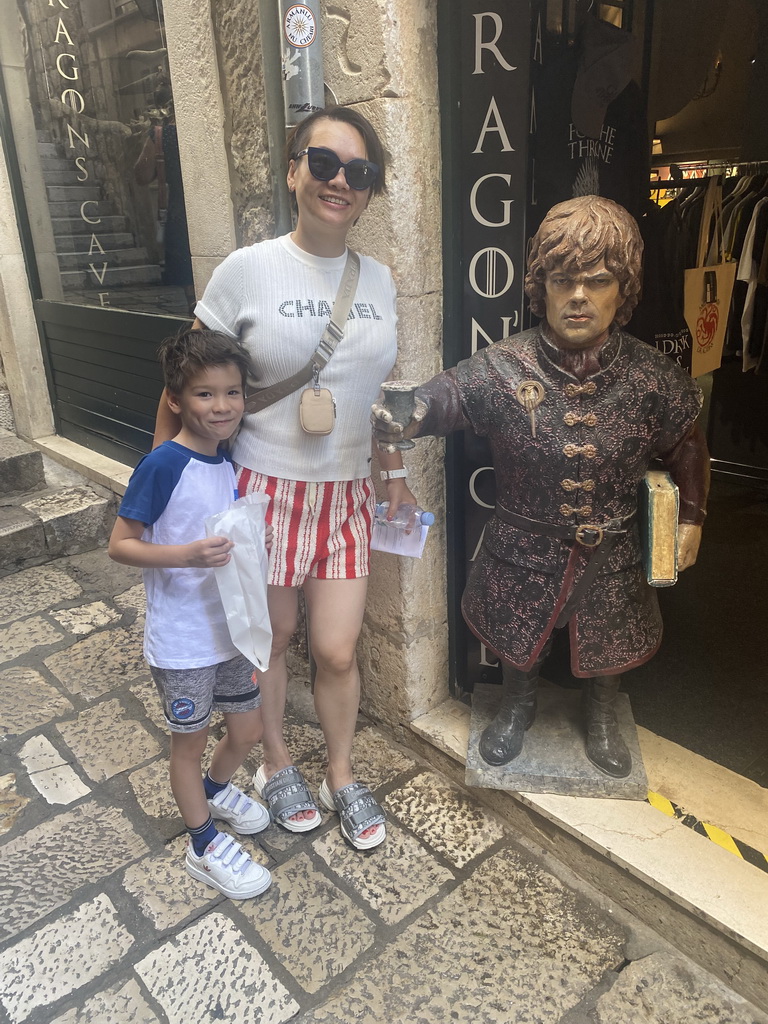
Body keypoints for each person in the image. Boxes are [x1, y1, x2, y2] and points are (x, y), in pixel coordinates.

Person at [373, 195, 710, 779]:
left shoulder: (654, 378)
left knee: (610, 632)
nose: (579, 296)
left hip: (612, 547)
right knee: (515, 628)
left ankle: (603, 709)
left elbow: (688, 447)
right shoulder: (504, 367)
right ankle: (516, 701)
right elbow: (448, 397)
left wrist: (693, 520)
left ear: (623, 292)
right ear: (541, 288)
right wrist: (413, 411)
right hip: (521, 545)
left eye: (598, 281)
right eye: (563, 281)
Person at [152, 106, 412, 849]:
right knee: (271, 639)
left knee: (334, 648)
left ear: (370, 191)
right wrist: (162, 475)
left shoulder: (382, 282)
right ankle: (274, 761)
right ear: (294, 169)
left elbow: (381, 399)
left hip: (346, 497)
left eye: (359, 173)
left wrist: (391, 471)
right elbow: (186, 376)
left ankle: (341, 771)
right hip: (260, 491)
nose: (340, 183)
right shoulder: (247, 269)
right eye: (323, 164)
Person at [109, 328, 272, 899]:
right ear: (175, 400)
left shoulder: (224, 460)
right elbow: (120, 543)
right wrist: (186, 554)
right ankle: (202, 843)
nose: (222, 406)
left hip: (228, 632)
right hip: (182, 643)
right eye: (205, 395)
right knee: (190, 739)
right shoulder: (161, 465)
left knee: (247, 728)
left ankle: (214, 790)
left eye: (233, 393)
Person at [134, 81, 196, 315]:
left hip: (179, 213)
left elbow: (141, 175)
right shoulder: (204, 127)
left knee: (188, 280)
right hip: (211, 213)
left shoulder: (163, 135)